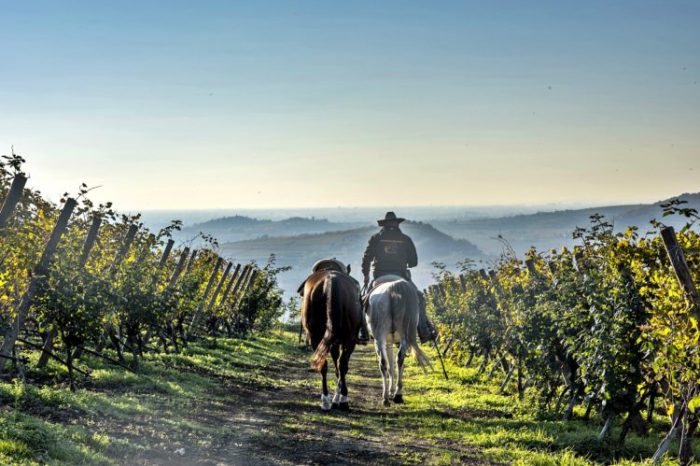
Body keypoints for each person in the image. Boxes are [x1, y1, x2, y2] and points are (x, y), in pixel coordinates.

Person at [358, 211, 437, 344]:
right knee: (419, 298)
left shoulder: (376, 238)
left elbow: (366, 259)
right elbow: (414, 262)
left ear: (384, 225)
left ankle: (362, 332)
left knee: (363, 301)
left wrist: (366, 275)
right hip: (401, 276)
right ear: (396, 224)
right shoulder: (405, 239)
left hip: (380, 275)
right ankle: (424, 331)